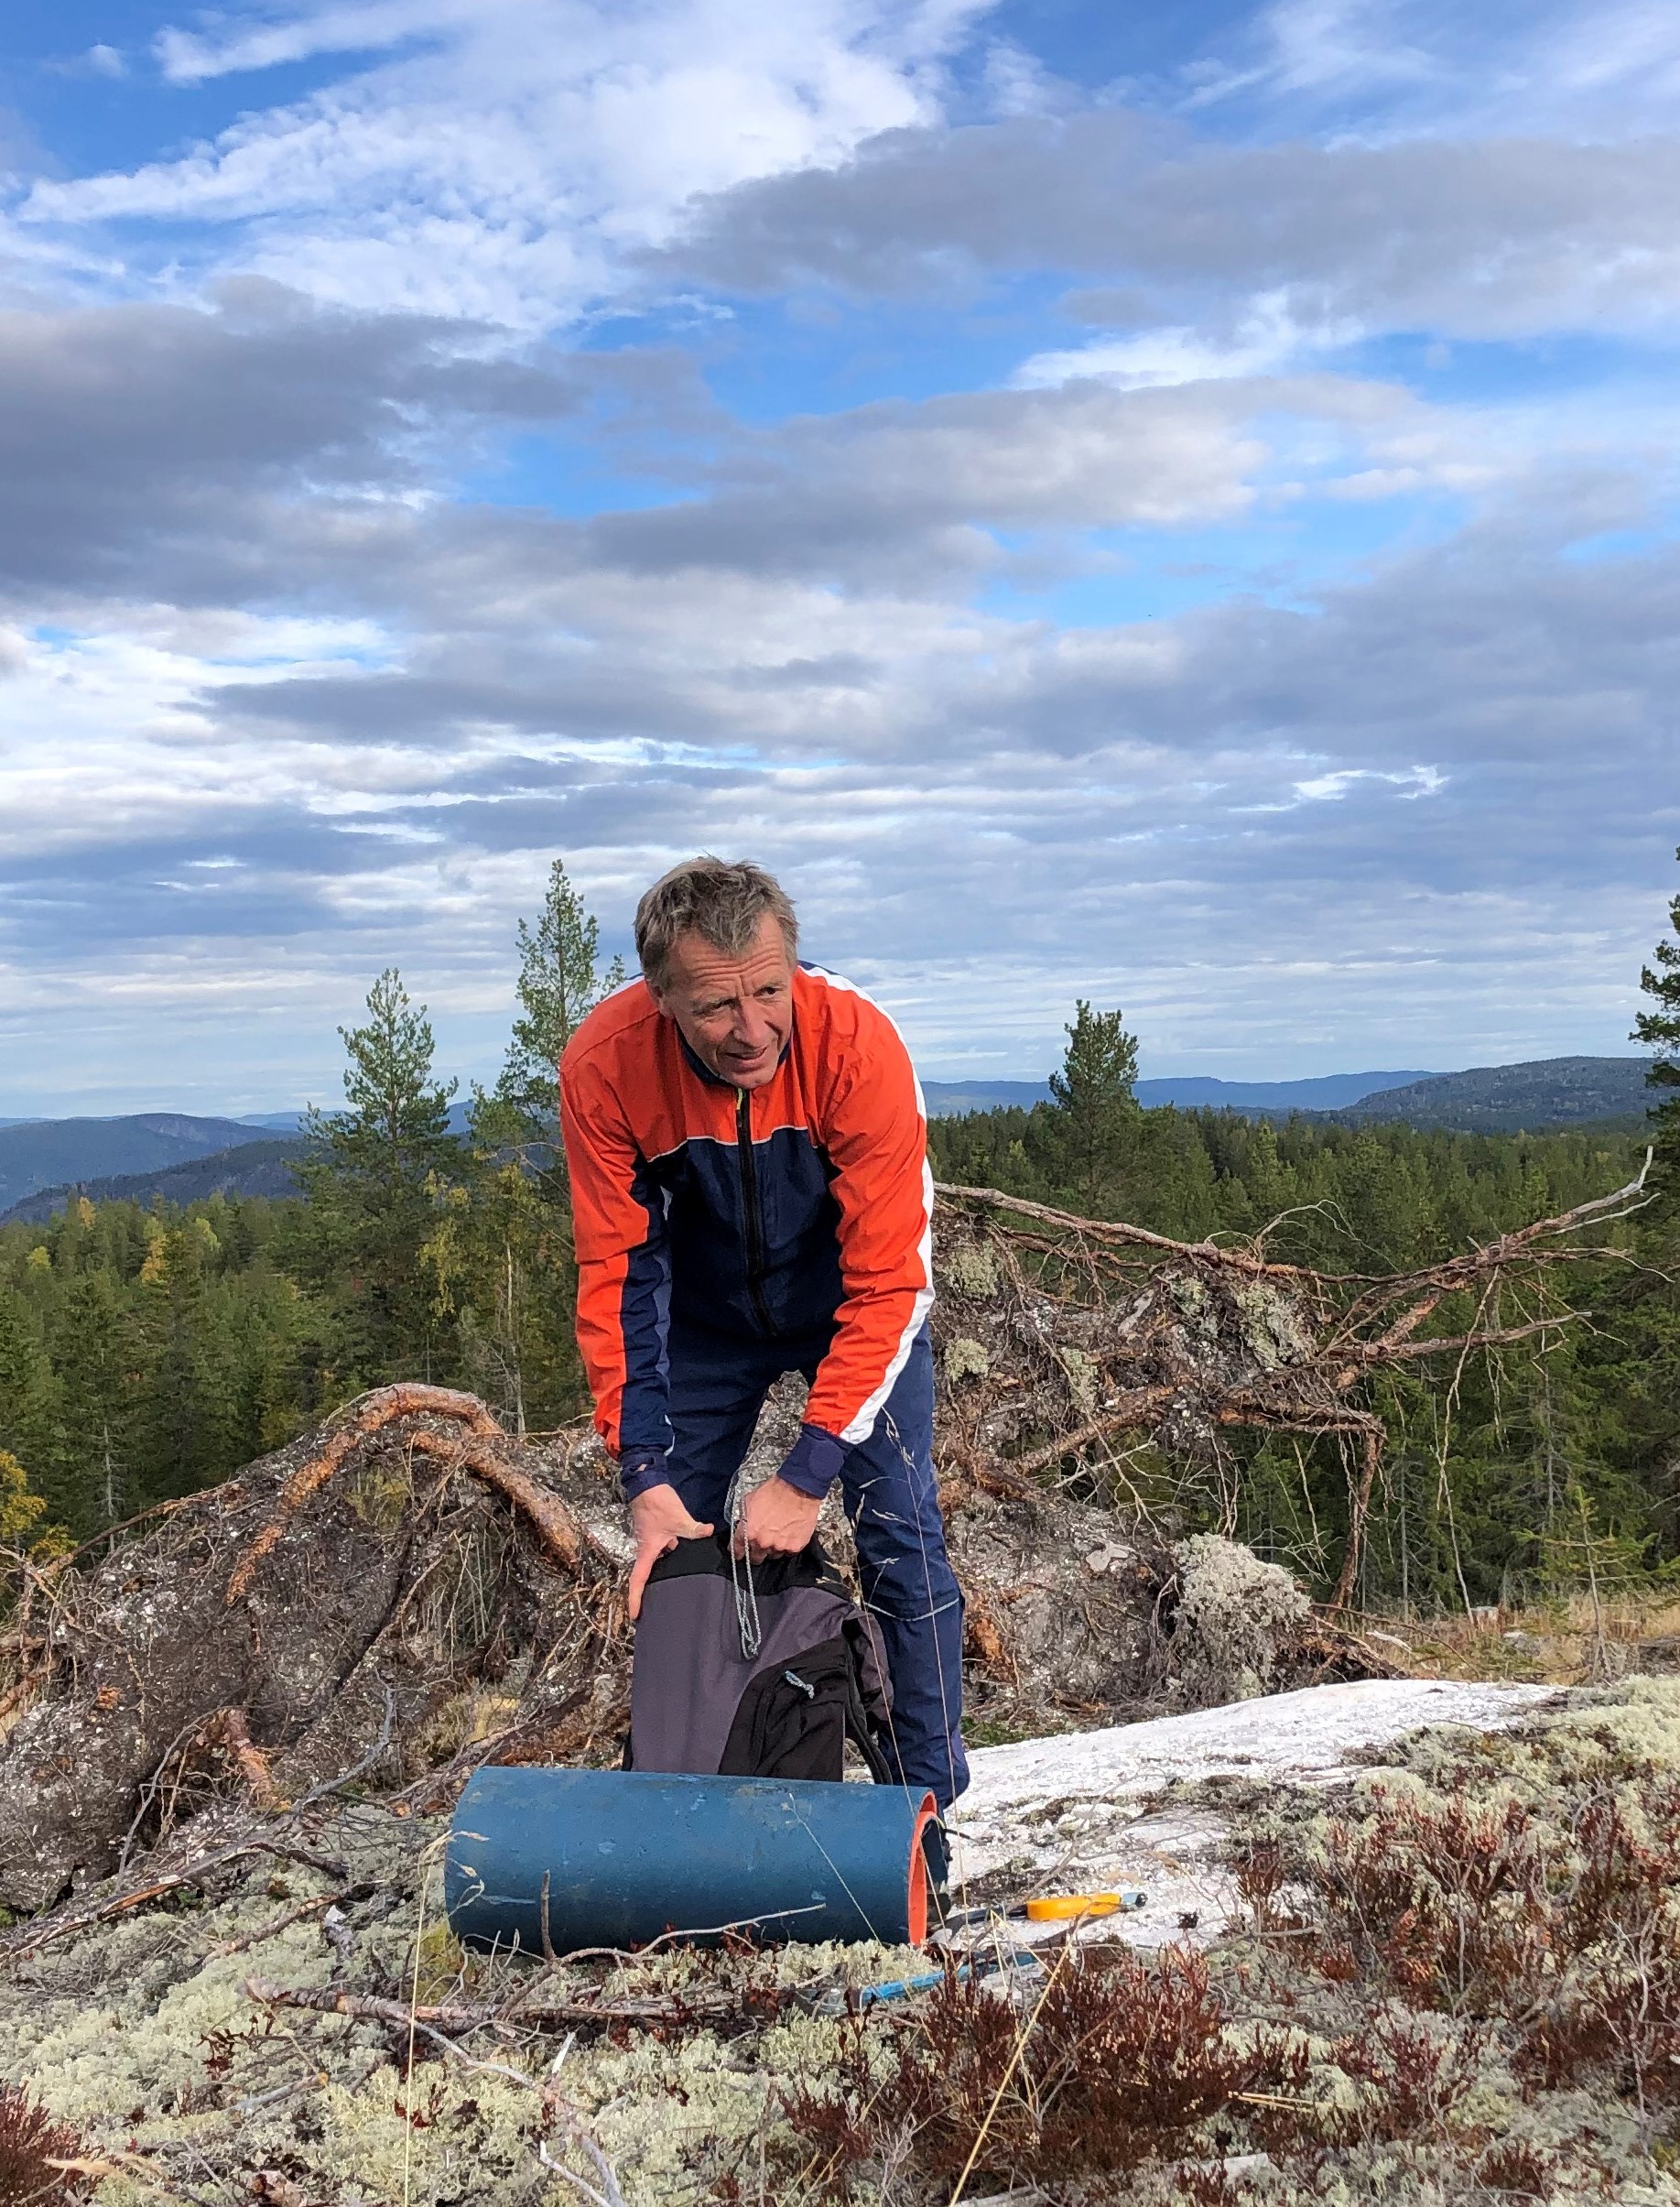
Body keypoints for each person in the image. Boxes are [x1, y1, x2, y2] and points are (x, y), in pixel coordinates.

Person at [559, 855, 968, 1806]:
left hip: (847, 1311)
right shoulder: (605, 1064)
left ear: (792, 966)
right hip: (704, 1325)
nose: (751, 1031)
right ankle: (681, 1810)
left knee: (902, 1541)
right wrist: (643, 1471)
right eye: (714, 1007)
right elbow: (617, 1272)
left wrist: (805, 1470)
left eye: (769, 991)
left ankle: (922, 1811)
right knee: (675, 1562)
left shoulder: (856, 1044)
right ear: (659, 997)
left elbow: (891, 1282)